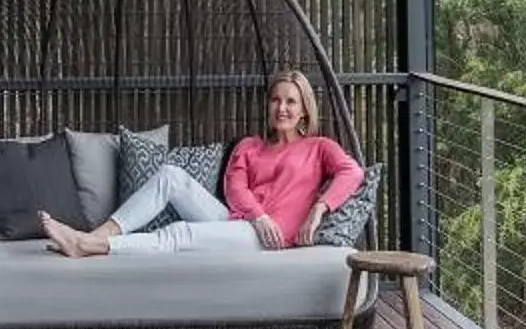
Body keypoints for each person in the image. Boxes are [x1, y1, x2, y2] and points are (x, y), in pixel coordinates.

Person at [41, 68, 362, 257]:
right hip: (244, 221)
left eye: (291, 101)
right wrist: (259, 215)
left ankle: (91, 246)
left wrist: (320, 208)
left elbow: (352, 172)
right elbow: (235, 189)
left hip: (270, 238)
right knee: (170, 175)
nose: (281, 108)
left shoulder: (319, 147)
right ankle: (97, 234)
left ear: (304, 109)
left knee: (180, 232)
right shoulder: (250, 146)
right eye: (276, 99)